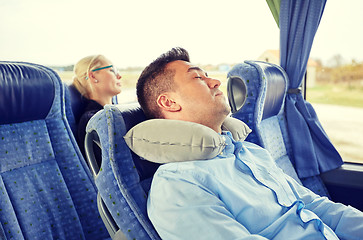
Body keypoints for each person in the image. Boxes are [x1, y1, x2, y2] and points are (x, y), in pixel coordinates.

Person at [136, 47, 363, 240]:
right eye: (198, 78)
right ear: (169, 102)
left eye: (208, 75)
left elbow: (315, 206)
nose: (215, 81)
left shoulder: (250, 153)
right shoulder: (177, 184)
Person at [72, 55, 122, 162]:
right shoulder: (93, 121)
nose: (119, 76)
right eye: (112, 70)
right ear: (93, 76)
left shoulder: (114, 113)